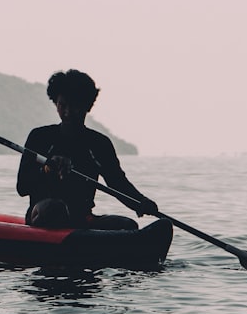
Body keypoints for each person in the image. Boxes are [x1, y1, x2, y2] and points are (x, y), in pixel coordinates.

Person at [17, 69, 159, 230]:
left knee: (128, 225)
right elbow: (22, 187)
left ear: (87, 106)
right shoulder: (40, 137)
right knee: (55, 209)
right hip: (42, 214)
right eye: (62, 105)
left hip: (82, 218)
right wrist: (47, 169)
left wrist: (140, 202)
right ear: (55, 103)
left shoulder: (99, 144)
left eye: (75, 106)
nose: (68, 112)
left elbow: (117, 183)